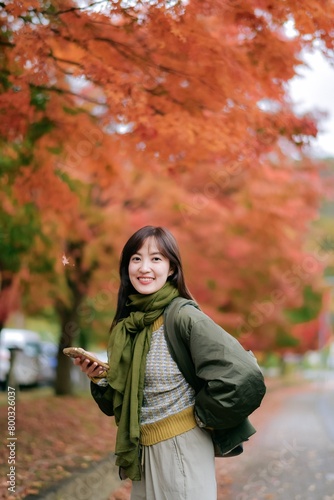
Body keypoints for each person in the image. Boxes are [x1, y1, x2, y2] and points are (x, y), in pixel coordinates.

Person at [73, 225, 266, 500]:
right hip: (143, 452)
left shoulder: (183, 317)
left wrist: (201, 415)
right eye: (136, 258)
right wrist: (100, 378)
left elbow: (244, 375)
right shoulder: (129, 327)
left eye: (156, 258)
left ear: (172, 268)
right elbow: (120, 403)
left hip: (182, 448)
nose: (144, 267)